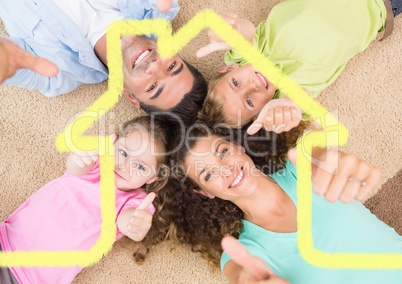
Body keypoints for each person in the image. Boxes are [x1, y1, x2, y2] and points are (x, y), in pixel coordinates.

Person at [167, 121, 402, 284]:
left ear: (239, 147)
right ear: (206, 192)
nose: (226, 169)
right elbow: (241, 276)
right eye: (208, 174)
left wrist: (335, 162)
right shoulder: (244, 254)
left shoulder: (300, 166)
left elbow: (319, 154)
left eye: (223, 152)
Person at [0, 115, 170, 284]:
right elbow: (75, 167)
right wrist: (79, 156)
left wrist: (136, 224)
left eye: (140, 166)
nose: (123, 166)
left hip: (31, 280)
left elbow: (127, 222)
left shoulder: (136, 202)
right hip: (6, 241)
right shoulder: (94, 164)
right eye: (123, 153)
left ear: (153, 178)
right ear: (113, 143)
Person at [197, 0, 402, 133]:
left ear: (228, 68)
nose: (251, 85)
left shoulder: (247, 54)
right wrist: (291, 109)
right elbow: (300, 100)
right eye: (250, 101)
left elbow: (246, 32)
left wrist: (231, 29)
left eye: (236, 83)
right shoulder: (288, 94)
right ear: (260, 112)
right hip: (382, 6)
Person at [0, 0, 207, 124]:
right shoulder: (159, 5)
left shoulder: (56, 74)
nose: (154, 66)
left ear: (131, 97)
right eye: (171, 66)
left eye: (153, 86)